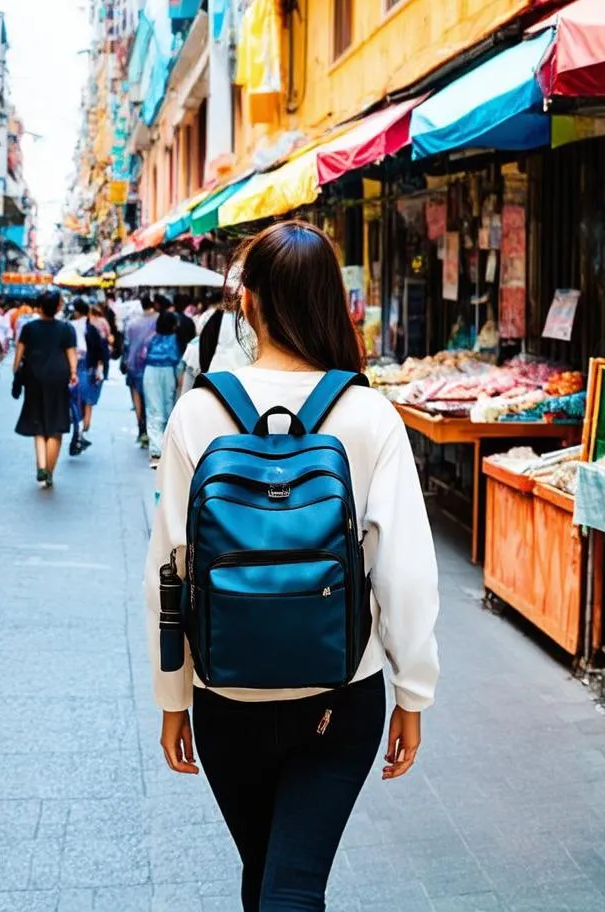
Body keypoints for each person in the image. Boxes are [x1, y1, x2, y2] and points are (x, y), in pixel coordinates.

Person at [144, 221, 440, 911]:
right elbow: (406, 571)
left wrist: (171, 696)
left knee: (270, 882)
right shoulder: (369, 414)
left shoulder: (197, 414)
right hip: (342, 694)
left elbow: (169, 569)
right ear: (333, 302)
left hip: (226, 693)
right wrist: (414, 694)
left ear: (246, 303)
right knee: (287, 884)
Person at [12, 290, 77, 489]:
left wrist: (16, 372)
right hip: (58, 376)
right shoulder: (66, 329)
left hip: (34, 375)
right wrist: (73, 373)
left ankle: (41, 466)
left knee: (38, 423)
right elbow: (71, 354)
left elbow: (19, 354)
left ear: (39, 306)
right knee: (55, 426)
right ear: (58, 307)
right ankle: (48, 472)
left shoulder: (29, 328)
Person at [68, 298, 108, 455]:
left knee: (75, 401)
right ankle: (82, 431)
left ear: (77, 311)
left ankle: (79, 432)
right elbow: (99, 351)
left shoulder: (70, 326)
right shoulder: (90, 328)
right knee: (87, 400)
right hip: (87, 367)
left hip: (74, 367)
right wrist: (99, 369)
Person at [142, 312, 181, 469]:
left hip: (151, 371)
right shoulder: (176, 339)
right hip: (169, 371)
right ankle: (165, 449)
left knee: (153, 410)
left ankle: (156, 452)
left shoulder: (152, 338)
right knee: (168, 408)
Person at [123, 294, 158, 447]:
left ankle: (141, 429)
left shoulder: (132, 323)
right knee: (151, 399)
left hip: (133, 363)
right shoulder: (158, 319)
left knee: (136, 397)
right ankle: (150, 431)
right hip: (151, 363)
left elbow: (126, 343)